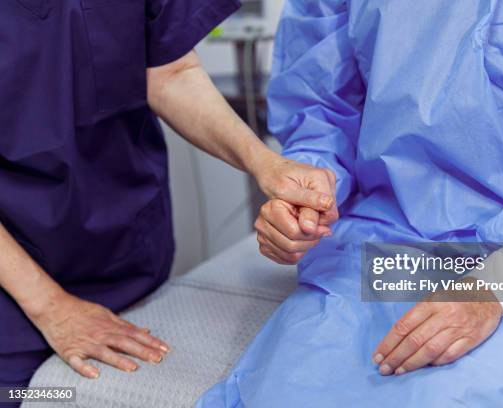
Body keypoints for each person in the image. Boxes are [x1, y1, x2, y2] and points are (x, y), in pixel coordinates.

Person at [199, 0, 503, 406]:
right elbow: (322, 113)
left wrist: (493, 286)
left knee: (451, 394)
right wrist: (309, 198)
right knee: (286, 392)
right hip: (388, 239)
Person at [0, 0, 336, 401]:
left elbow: (170, 71)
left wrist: (264, 163)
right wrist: (52, 307)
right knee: (32, 397)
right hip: (14, 276)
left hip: (128, 253)